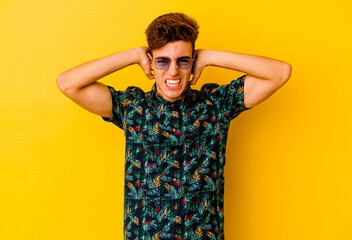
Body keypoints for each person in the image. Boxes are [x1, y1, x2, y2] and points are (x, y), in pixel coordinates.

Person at [57, 12, 291, 240]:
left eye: (182, 61)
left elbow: (280, 73)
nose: (173, 71)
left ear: (192, 62)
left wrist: (210, 56)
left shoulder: (215, 105)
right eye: (162, 61)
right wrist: (132, 55)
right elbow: (68, 84)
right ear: (151, 62)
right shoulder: (133, 108)